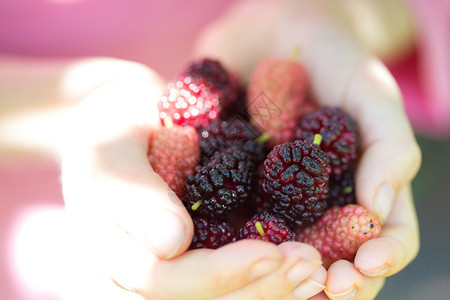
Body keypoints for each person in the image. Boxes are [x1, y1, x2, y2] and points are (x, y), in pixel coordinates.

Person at [0, 0, 427, 299]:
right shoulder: (205, 145)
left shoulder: (266, 129)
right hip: (40, 251)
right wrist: (75, 110)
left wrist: (327, 13)